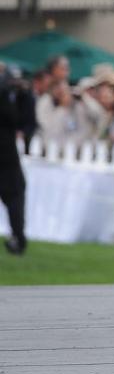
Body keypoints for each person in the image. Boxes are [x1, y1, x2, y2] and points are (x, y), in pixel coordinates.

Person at [0, 64, 31, 255]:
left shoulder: (14, 95)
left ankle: (18, 237)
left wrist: (23, 95)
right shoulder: (5, 96)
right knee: (15, 194)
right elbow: (14, 118)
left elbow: (25, 121)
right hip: (6, 155)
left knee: (15, 194)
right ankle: (18, 238)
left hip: (8, 156)